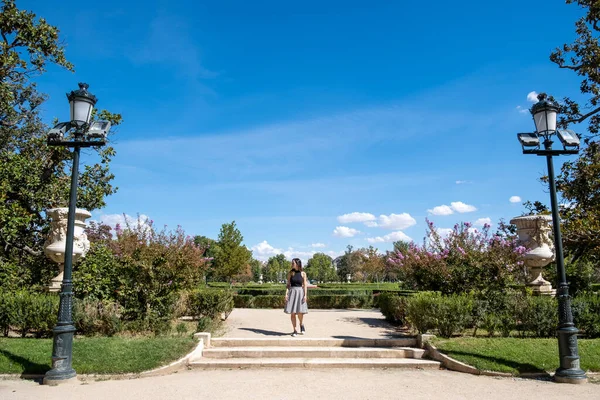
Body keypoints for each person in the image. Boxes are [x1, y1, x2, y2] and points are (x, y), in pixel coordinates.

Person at [284, 258, 308, 336]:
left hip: (300, 293)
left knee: (300, 313)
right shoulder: (290, 273)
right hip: (292, 293)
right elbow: (288, 285)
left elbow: (305, 286)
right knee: (293, 313)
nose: (292, 264)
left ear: (297, 264)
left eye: (293, 263)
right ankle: (295, 330)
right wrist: (286, 294)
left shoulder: (303, 273)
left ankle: (301, 324)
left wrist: (305, 295)